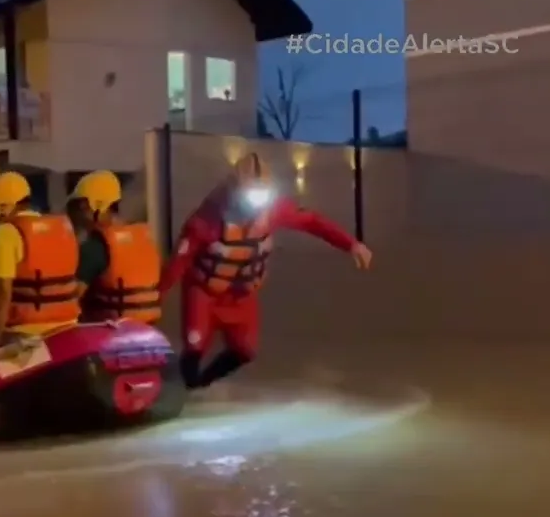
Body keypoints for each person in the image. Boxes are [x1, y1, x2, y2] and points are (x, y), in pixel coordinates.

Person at [159, 152, 374, 390]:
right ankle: (181, 388)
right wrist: (156, 297)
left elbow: (312, 221)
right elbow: (179, 261)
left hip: (241, 296)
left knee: (245, 351)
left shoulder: (275, 210)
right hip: (204, 292)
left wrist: (351, 244)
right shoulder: (205, 221)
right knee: (194, 348)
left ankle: (202, 383)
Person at [0, 171, 81, 347]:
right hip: (68, 327)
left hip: (26, 333)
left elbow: (2, 291)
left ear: (4, 206)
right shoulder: (63, 230)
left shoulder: (6, 233)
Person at [66, 170, 162, 324]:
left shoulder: (95, 247)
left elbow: (71, 301)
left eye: (81, 207)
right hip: (147, 330)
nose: (78, 215)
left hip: (109, 332)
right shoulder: (143, 238)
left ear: (95, 205)